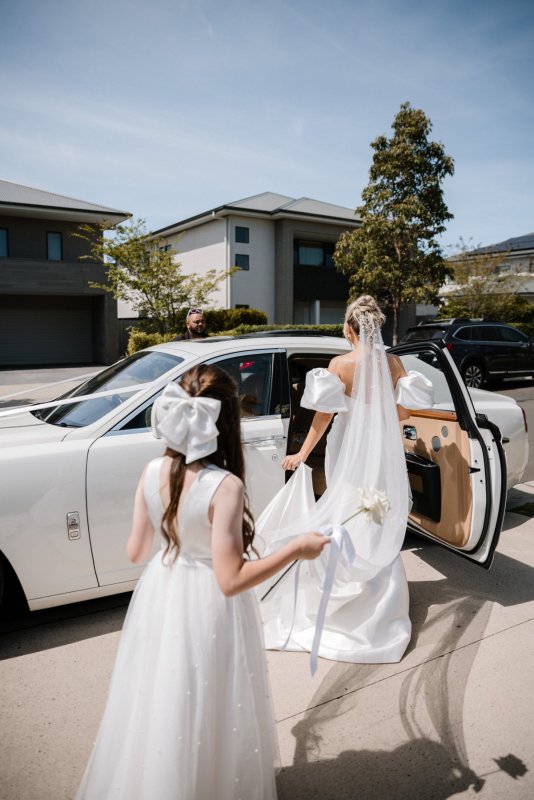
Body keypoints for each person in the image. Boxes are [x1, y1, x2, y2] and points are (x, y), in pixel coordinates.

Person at [76, 364, 329, 800]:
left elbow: (136, 551)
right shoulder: (223, 485)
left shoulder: (151, 471)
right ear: (227, 423)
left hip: (162, 590)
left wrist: (169, 523)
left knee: (161, 698)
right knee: (210, 699)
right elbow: (230, 579)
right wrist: (296, 548)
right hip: (208, 602)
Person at [257, 295, 433, 665]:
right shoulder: (394, 363)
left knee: (348, 509)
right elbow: (403, 411)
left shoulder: (339, 365)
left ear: (349, 329)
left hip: (349, 449)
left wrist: (301, 454)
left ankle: (347, 588)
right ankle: (381, 601)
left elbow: (323, 418)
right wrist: (379, 418)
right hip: (382, 450)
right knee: (377, 515)